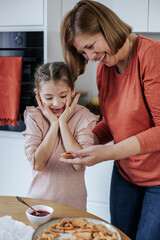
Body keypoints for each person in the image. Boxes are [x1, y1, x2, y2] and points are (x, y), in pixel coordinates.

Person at [60, 0, 160, 239]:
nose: (91, 56)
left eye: (91, 46)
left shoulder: (151, 55)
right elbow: (113, 123)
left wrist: (107, 153)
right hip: (125, 176)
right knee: (118, 236)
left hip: (158, 180)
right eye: (83, 52)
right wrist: (86, 142)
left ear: (107, 28)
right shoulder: (104, 68)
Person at [22, 61, 99, 211]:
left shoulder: (83, 117)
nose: (57, 103)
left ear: (72, 90)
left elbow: (79, 162)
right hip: (40, 205)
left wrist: (63, 123)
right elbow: (38, 164)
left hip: (74, 205)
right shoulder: (34, 118)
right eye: (49, 98)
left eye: (63, 95)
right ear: (38, 94)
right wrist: (54, 125)